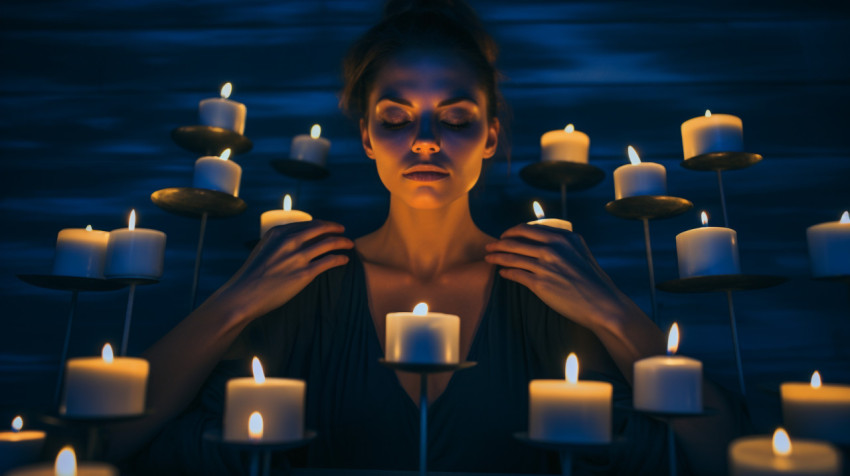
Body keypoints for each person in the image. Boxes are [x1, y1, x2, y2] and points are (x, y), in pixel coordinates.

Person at [109, 1, 747, 474]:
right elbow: (107, 440)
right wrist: (239, 298)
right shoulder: (306, 285)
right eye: (395, 116)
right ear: (365, 135)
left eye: (456, 117)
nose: (425, 139)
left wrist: (611, 310)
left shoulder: (547, 289)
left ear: (491, 136)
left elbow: (720, 454)